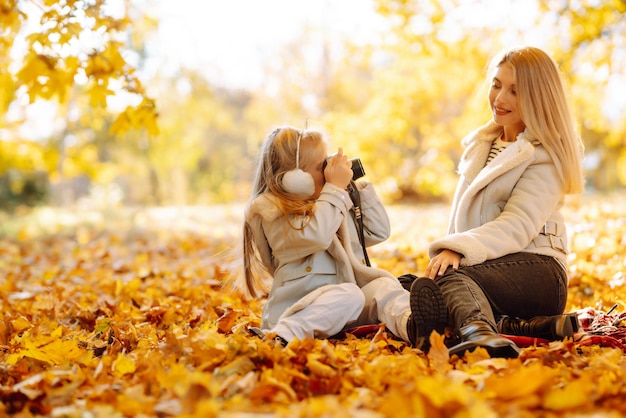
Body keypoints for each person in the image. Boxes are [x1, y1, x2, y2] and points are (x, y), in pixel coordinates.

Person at [408, 46, 585, 358]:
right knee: (412, 283)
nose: (500, 98)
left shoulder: (545, 155)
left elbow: (517, 225)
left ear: (538, 96)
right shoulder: (481, 145)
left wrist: (456, 248)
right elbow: (460, 220)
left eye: (515, 91)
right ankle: (529, 328)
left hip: (538, 272)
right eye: (497, 84)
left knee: (449, 277)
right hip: (485, 271)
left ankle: (481, 335)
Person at [242, 126, 447, 349]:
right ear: (296, 179)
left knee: (383, 286)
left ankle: (414, 326)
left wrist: (359, 190)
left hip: (344, 307)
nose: (330, 170)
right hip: (299, 311)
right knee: (350, 294)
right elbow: (317, 236)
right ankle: (281, 336)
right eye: (323, 166)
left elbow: (377, 231)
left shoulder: (329, 203)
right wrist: (334, 189)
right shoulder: (273, 213)